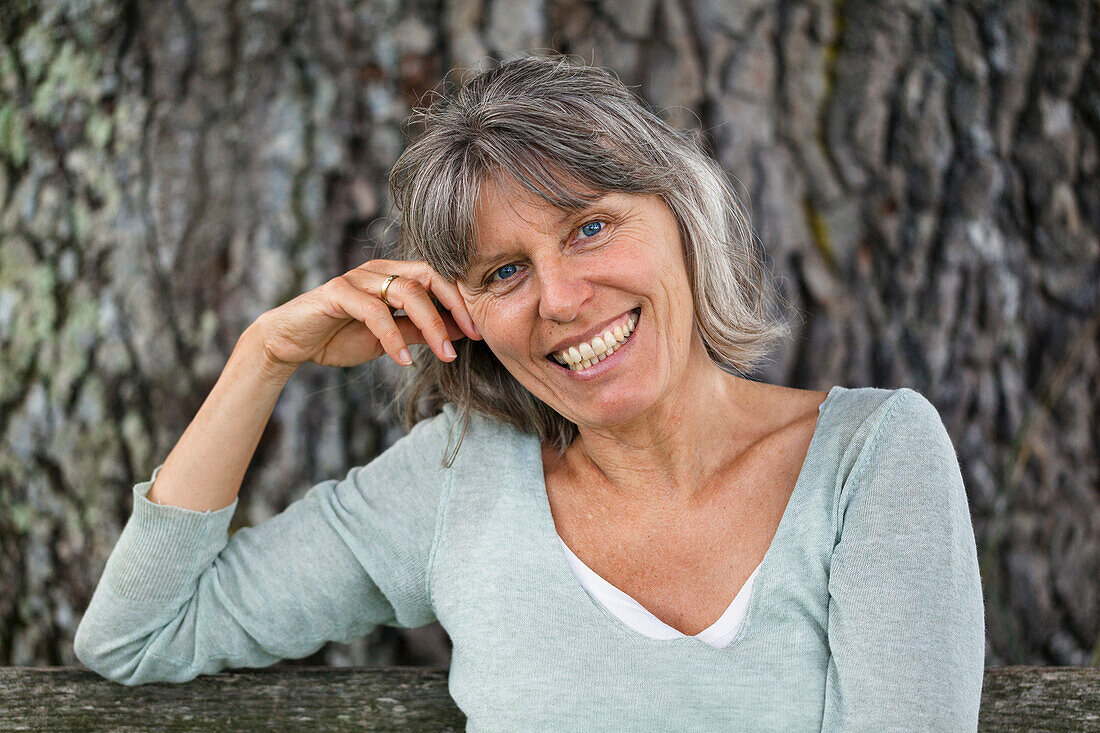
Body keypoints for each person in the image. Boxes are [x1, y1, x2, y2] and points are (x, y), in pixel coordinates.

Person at [74, 54, 986, 731]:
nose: (559, 298)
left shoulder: (872, 457)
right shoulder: (454, 480)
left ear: (683, 216)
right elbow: (138, 636)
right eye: (504, 271)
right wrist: (263, 355)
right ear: (460, 312)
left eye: (590, 227)